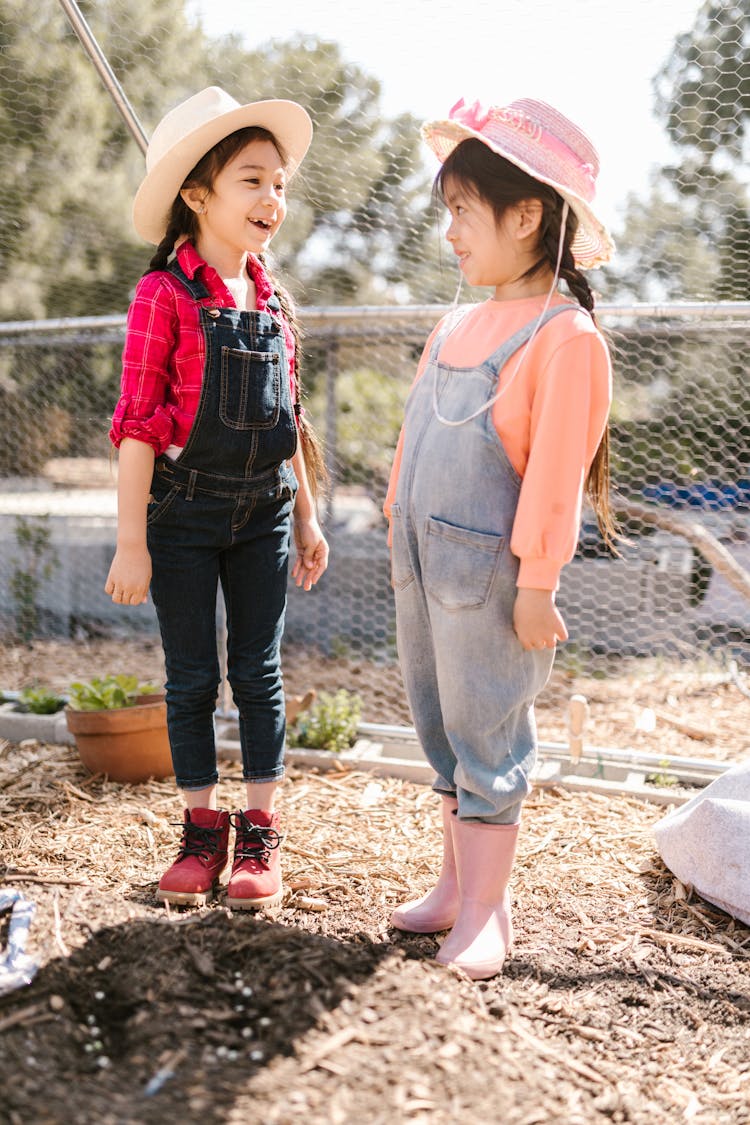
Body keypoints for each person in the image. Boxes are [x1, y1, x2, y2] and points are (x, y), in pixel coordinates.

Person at [384, 98, 615, 979]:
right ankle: (453, 884)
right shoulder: (452, 326)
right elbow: (416, 437)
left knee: (488, 728)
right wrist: (394, 513)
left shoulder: (566, 336)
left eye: (462, 212)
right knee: (440, 721)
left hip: (492, 576)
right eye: (446, 212)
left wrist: (538, 581)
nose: (449, 231)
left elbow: (557, 473)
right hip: (421, 563)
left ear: (526, 216)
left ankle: (487, 912)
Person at [105, 87, 328, 910]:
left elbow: (290, 418)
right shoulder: (161, 296)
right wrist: (133, 539)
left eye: (280, 184)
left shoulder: (273, 299)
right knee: (192, 675)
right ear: (196, 195)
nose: (273, 198)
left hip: (266, 510)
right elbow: (135, 427)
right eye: (252, 181)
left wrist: (305, 515)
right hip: (183, 517)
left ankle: (259, 835)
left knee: (259, 673)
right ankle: (202, 831)